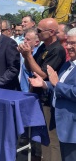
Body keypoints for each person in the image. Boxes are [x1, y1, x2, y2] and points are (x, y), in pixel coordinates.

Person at [18, 18, 66, 161]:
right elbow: (30, 67)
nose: (37, 33)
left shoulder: (57, 50)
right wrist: (26, 56)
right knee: (41, 135)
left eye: (39, 31)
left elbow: (43, 74)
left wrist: (28, 56)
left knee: (51, 138)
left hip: (48, 99)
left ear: (51, 32)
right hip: (38, 96)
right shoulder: (44, 47)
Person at [29, 28, 76, 161]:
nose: (68, 46)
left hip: (72, 128)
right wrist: (45, 84)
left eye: (73, 43)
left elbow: (63, 87)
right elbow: (57, 85)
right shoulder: (67, 65)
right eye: (68, 42)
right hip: (62, 123)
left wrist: (56, 84)